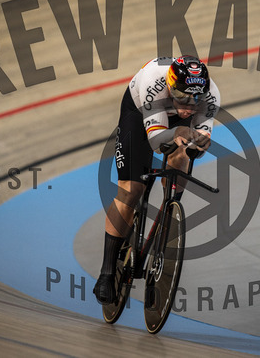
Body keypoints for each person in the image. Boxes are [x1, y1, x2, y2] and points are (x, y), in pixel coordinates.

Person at [93, 55, 220, 304]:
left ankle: (168, 209)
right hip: (139, 113)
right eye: (182, 97)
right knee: (131, 191)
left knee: (182, 155)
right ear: (171, 87)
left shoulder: (211, 95)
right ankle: (106, 273)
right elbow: (156, 142)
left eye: (196, 98)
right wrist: (179, 130)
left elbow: (200, 143)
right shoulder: (154, 83)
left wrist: (199, 144)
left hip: (176, 123)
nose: (189, 105)